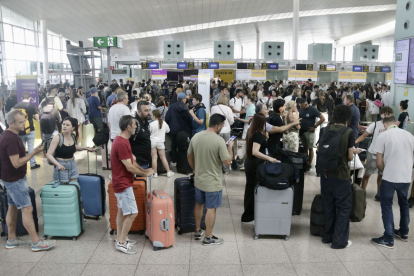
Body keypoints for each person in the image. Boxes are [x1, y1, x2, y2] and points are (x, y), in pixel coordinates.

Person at [0, 110, 56, 251]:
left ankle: (11, 239)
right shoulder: (11, 138)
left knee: (13, 208)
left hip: (10, 178)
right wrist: (34, 152)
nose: (24, 124)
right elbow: (16, 163)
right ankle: (36, 242)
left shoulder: (10, 135)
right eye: (20, 122)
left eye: (24, 120)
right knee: (27, 208)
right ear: (11, 123)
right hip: (15, 180)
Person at [187, 114, 234, 245]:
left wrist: (194, 169)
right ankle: (208, 237)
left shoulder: (196, 136)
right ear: (218, 125)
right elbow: (227, 162)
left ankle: (197, 230)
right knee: (211, 208)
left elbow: (189, 155)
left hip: (199, 180)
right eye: (222, 126)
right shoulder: (218, 141)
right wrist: (230, 147)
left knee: (199, 204)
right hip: (213, 182)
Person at [111, 115, 154, 254]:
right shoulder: (122, 143)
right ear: (128, 127)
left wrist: (144, 170)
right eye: (135, 124)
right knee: (132, 213)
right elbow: (129, 167)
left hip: (121, 182)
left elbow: (132, 161)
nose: (136, 126)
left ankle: (120, 237)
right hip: (123, 184)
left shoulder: (124, 140)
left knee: (121, 211)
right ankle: (122, 242)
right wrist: (145, 174)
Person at [320, 105, 360, 249]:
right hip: (341, 175)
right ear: (347, 118)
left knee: (328, 205)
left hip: (325, 174)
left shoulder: (325, 130)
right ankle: (339, 241)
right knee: (343, 208)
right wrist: (353, 151)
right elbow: (349, 156)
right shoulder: (349, 132)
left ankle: (327, 236)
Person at [371, 116, 414, 249]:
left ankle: (389, 238)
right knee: (404, 204)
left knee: (387, 206)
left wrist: (385, 171)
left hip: (390, 177)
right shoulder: (409, 135)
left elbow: (379, 161)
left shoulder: (383, 136)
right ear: (395, 122)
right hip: (406, 177)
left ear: (384, 124)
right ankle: (404, 232)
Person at [242, 113, 278, 224]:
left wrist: (265, 136)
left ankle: (249, 214)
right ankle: (249, 215)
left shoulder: (252, 131)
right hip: (255, 164)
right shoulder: (258, 134)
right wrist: (270, 158)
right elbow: (255, 151)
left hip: (250, 163)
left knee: (250, 188)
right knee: (252, 188)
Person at [355, 107, 394, 201]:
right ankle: (362, 192)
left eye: (388, 114)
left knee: (381, 175)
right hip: (373, 152)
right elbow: (364, 135)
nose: (386, 116)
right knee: (367, 174)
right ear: (381, 115)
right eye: (385, 114)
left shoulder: (392, 127)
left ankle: (379, 194)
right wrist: (354, 143)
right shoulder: (375, 124)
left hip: (385, 155)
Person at [47, 117, 95, 182]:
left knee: (74, 186)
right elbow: (49, 154)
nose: (64, 126)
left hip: (72, 164)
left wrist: (86, 148)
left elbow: (73, 146)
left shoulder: (72, 136)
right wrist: (58, 165)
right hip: (62, 165)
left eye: (67, 125)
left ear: (73, 128)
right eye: (63, 124)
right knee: (64, 189)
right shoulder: (58, 137)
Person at [13, 92, 41, 170]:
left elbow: (13, 117)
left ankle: (21, 165)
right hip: (30, 129)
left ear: (21, 98)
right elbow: (37, 118)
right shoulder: (32, 106)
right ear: (29, 98)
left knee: (21, 148)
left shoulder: (16, 106)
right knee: (31, 148)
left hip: (20, 130)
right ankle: (33, 164)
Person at [165, 92, 193, 166]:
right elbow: (190, 119)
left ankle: (174, 160)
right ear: (183, 99)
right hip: (184, 131)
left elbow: (167, 118)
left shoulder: (172, 106)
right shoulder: (185, 108)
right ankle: (182, 161)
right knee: (183, 146)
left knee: (173, 145)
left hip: (173, 130)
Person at [297, 98, 325, 170]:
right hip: (302, 131)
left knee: (310, 148)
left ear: (306, 104)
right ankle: (306, 161)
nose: (301, 107)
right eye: (300, 106)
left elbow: (322, 118)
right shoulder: (301, 109)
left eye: (302, 106)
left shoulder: (312, 109)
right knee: (304, 147)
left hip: (309, 132)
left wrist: (315, 126)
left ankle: (310, 164)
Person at [211, 95, 235, 174]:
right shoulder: (228, 109)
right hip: (226, 130)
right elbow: (231, 121)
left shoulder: (213, 108)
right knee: (226, 150)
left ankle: (217, 168)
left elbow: (212, 119)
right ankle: (226, 169)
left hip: (217, 130)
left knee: (216, 149)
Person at [150, 109, 174, 178]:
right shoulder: (164, 123)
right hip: (161, 142)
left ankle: (155, 173)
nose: (151, 116)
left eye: (152, 115)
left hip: (153, 142)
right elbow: (168, 130)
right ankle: (168, 172)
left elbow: (149, 132)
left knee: (154, 158)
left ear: (154, 116)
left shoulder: (151, 124)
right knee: (163, 158)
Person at [130, 101, 152, 169]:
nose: (149, 113)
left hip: (147, 161)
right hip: (138, 163)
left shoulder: (146, 122)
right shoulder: (134, 124)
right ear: (139, 111)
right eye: (146, 110)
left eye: (149, 110)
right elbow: (126, 141)